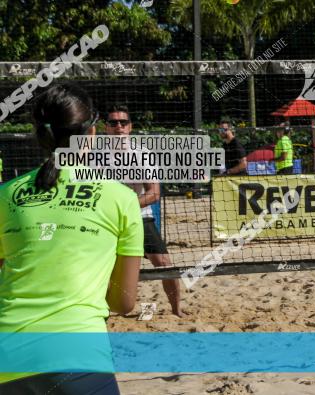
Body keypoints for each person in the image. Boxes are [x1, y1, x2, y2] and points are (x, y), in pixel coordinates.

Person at [0, 84, 142, 393]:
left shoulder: (4, 195)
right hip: (78, 357)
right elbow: (124, 302)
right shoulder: (121, 198)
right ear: (90, 134)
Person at [104, 105, 183, 317]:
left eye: (123, 123)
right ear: (106, 128)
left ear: (130, 127)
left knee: (164, 264)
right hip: (106, 221)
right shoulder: (96, 156)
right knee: (101, 267)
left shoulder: (141, 155)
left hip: (138, 218)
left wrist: (126, 206)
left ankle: (177, 310)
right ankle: (102, 310)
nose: (118, 127)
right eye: (113, 123)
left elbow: (154, 193)